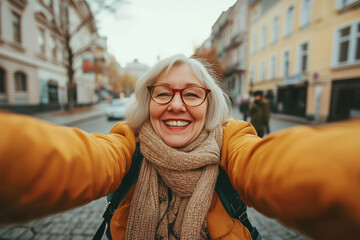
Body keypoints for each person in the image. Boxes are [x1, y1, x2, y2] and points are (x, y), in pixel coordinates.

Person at [0, 54, 359, 240]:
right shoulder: (127, 143)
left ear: (208, 103)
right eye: (163, 93)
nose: (176, 105)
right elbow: (69, 161)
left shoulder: (232, 141)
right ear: (148, 101)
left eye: (191, 93)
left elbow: (280, 167)